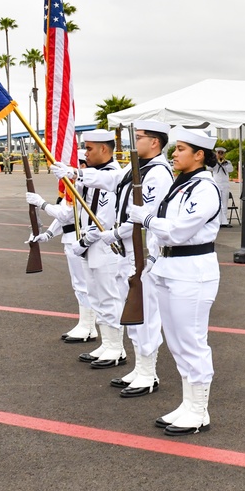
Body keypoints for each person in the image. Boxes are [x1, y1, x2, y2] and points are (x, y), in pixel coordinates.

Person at [127, 128, 222, 436]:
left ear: (199, 155)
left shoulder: (204, 188)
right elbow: (163, 234)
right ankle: (188, 403)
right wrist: (153, 260)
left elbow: (180, 230)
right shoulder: (182, 184)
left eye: (181, 149)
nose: (175, 153)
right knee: (177, 342)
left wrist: (148, 220)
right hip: (170, 267)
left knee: (192, 341)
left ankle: (199, 411)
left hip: (193, 270)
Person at [71, 120, 175, 397]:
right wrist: (77, 174)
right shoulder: (137, 167)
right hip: (126, 251)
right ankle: (140, 367)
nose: (134, 142)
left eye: (139, 137)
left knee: (145, 313)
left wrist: (115, 233)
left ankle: (149, 372)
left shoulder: (159, 174)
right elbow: (112, 179)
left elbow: (144, 217)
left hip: (142, 252)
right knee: (130, 312)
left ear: (155, 142)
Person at [52, 130, 125, 368]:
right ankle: (106, 343)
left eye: (89, 148)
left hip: (103, 246)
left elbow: (103, 218)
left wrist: (83, 242)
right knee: (95, 295)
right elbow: (81, 207)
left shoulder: (113, 175)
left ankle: (117, 348)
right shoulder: (93, 176)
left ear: (104, 149)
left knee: (108, 296)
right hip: (88, 245)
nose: (85, 153)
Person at [26, 149, 97, 343]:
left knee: (83, 285)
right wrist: (48, 234)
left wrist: (41, 204)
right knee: (78, 284)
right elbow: (63, 216)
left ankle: (89, 326)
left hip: (79, 239)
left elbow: (65, 214)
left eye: (78, 164)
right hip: (70, 238)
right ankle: (85, 324)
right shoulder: (73, 187)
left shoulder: (82, 186)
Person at [211, 147, 234, 228]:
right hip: (217, 185)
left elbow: (231, 170)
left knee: (224, 203)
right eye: (219, 153)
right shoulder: (214, 162)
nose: (220, 154)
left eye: (222, 153)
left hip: (225, 185)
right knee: (218, 203)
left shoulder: (228, 162)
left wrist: (225, 163)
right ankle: (218, 221)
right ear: (216, 153)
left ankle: (224, 221)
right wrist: (215, 161)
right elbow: (209, 168)